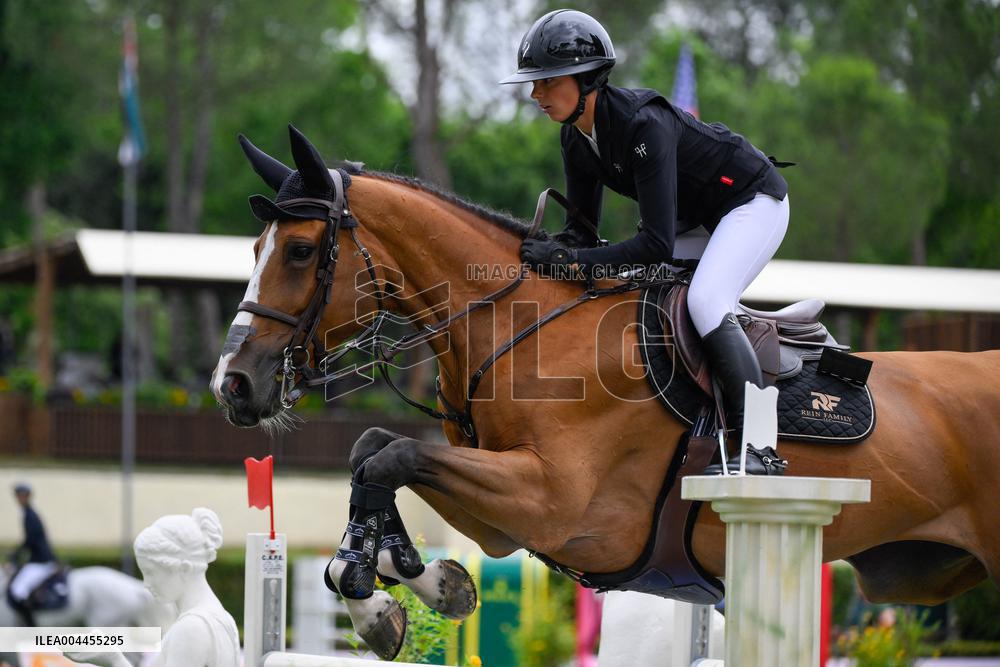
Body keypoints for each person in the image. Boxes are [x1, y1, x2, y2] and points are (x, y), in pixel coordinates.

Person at [501, 10, 789, 473]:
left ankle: (759, 448)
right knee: (642, 298)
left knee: (707, 302)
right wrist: (547, 255)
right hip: (692, 221)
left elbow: (653, 244)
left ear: (588, 79)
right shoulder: (574, 138)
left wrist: (572, 258)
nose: (535, 93)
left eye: (548, 81)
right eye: (535, 82)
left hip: (749, 202)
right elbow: (583, 234)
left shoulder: (644, 125)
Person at [66, 508, 239, 667]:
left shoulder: (191, 628)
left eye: (151, 573)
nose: (147, 584)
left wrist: (113, 660)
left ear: (184, 569)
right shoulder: (222, 619)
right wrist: (114, 657)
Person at [6, 482, 58, 625]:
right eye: (17, 496)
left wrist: (15, 554)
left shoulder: (30, 515)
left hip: (41, 561)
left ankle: (30, 626)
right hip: (37, 559)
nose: (19, 498)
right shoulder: (28, 513)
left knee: (18, 590)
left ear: (27, 496)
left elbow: (31, 540)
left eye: (21, 495)